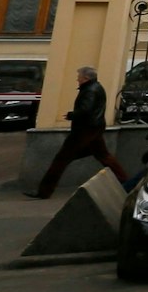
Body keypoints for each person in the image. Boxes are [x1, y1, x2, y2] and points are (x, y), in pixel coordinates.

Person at [30, 66, 127, 198]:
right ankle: (125, 180)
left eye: (79, 77)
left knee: (61, 159)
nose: (77, 79)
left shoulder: (90, 90)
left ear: (85, 78)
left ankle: (44, 191)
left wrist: (72, 115)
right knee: (103, 156)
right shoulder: (96, 87)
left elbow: (86, 110)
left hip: (84, 130)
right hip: (94, 127)